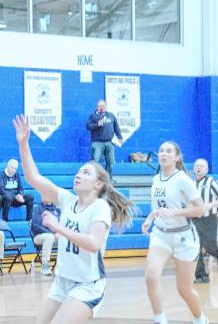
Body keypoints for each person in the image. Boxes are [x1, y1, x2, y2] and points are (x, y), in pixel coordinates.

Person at [13, 114, 134, 324]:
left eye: (86, 173)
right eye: (78, 172)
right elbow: (34, 177)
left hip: (87, 285)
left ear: (98, 185)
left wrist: (59, 228)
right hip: (62, 282)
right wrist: (23, 143)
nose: (78, 175)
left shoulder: (100, 207)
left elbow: (94, 243)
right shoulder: (68, 200)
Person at [142, 141, 209, 324]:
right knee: (151, 277)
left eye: (169, 151)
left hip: (183, 236)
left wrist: (174, 213)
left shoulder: (182, 179)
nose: (163, 153)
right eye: (161, 150)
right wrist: (150, 218)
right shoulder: (156, 178)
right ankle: (160, 319)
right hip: (161, 234)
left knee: (184, 290)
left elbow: (200, 209)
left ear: (177, 157)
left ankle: (200, 319)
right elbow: (159, 206)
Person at [192, 159, 218, 283]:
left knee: (210, 247)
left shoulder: (211, 181)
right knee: (196, 247)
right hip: (195, 219)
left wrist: (210, 205)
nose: (199, 168)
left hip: (209, 218)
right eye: (196, 166)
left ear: (206, 169)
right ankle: (201, 275)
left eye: (201, 166)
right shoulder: (191, 183)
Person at [86, 100, 123, 178]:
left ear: (106, 107)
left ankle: (108, 178)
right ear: (97, 107)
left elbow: (116, 127)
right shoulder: (92, 116)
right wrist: (97, 125)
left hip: (110, 142)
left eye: (103, 106)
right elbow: (88, 126)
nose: (101, 108)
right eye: (100, 106)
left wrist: (119, 137)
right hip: (97, 142)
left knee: (111, 161)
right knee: (95, 160)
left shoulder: (111, 116)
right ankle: (93, 177)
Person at [30, 197, 61, 276]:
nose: (43, 196)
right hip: (38, 236)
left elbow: (61, 224)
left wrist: (59, 231)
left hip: (54, 235)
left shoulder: (57, 209)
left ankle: (60, 265)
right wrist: (52, 233)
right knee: (49, 237)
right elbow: (36, 225)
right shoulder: (37, 209)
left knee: (64, 237)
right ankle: (45, 265)